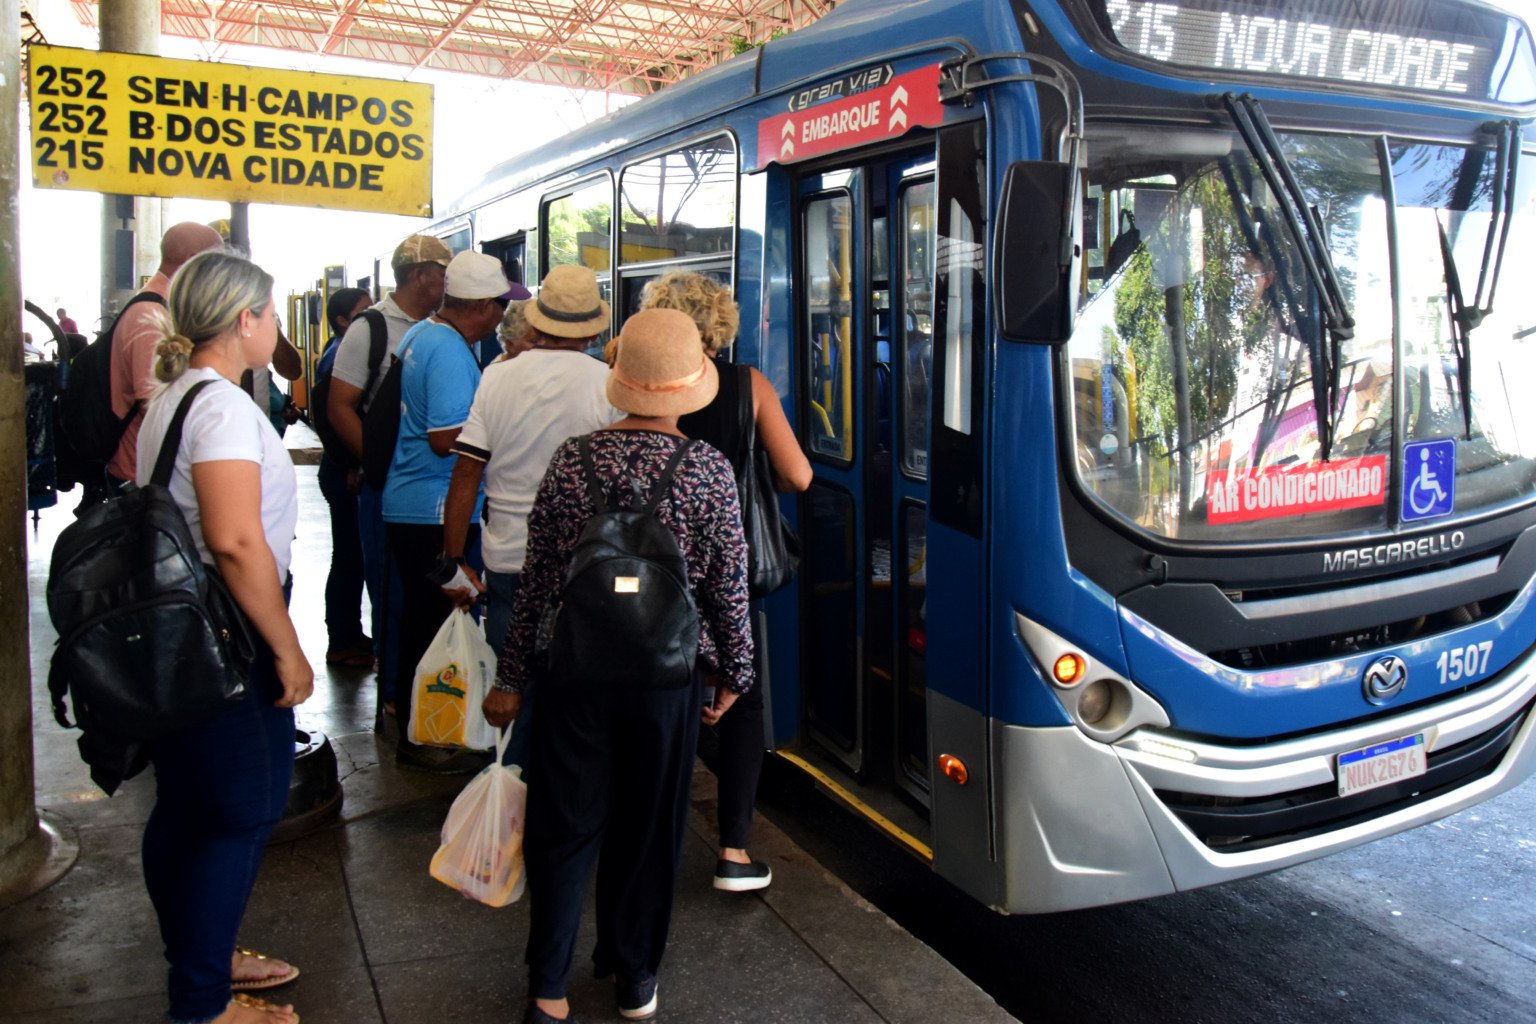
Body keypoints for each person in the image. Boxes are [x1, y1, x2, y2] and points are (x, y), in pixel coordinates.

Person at [485, 308, 754, 1024]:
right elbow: (728, 585)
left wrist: (511, 676)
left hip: (576, 671)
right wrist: (735, 674)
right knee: (650, 825)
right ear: (689, 387)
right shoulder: (707, 470)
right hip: (667, 679)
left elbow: (539, 580)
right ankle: (634, 976)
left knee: (565, 824)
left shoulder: (572, 461)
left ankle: (548, 987)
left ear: (620, 381)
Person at [135, 250, 314, 1024]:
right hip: (227, 633)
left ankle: (202, 955)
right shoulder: (224, 411)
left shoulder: (174, 399)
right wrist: (287, 647)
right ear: (245, 321)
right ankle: (203, 1002)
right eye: (270, 315)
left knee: (183, 805)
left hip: (179, 629)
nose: (274, 328)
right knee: (241, 811)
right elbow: (237, 543)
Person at [640, 270, 812, 892]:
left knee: (663, 700)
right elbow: (797, 477)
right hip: (731, 571)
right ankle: (734, 854)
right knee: (743, 703)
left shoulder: (637, 386)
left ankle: (649, 847)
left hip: (652, 576)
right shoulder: (748, 385)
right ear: (720, 324)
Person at [440, 264, 619, 770]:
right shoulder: (608, 384)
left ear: (537, 323)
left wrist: (454, 560)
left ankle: (509, 811)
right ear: (592, 329)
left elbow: (466, 475)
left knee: (512, 692)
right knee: (578, 700)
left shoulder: (497, 377)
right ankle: (565, 811)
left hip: (508, 562)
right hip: (583, 566)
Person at [384, 250, 508, 773]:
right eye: (501, 306)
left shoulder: (421, 334)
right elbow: (444, 440)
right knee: (438, 623)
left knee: (422, 621)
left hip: (409, 502)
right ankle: (428, 737)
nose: (504, 316)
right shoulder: (452, 352)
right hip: (434, 507)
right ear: (480, 306)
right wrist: (501, 433)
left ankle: (420, 727)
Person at [325, 234, 451, 713]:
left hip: (434, 488)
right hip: (387, 490)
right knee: (391, 591)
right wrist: (380, 465)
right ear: (421, 276)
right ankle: (395, 693)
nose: (447, 282)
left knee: (427, 594)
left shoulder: (440, 325)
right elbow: (340, 406)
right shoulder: (371, 328)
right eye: (443, 272)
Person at [108, 221, 225, 487]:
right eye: (216, 261)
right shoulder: (152, 315)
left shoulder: (164, 307)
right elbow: (156, 401)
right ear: (193, 261)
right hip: (141, 478)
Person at [318, 287, 375, 667]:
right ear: (343, 321)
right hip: (345, 471)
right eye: (363, 312)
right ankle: (343, 638)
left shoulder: (334, 351)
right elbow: (331, 418)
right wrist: (355, 464)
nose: (372, 318)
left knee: (349, 556)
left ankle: (347, 634)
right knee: (350, 558)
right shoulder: (343, 355)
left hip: (341, 468)